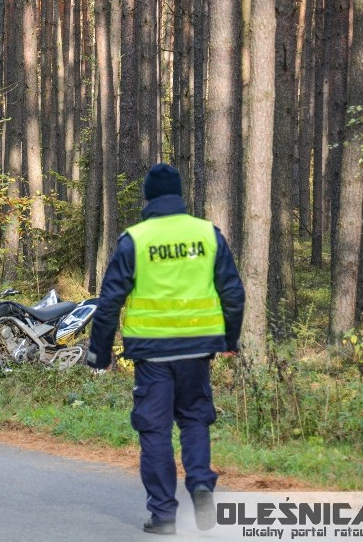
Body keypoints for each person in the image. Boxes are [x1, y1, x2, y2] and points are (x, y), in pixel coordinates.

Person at [86, 164, 245, 535]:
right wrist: (230, 339)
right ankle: (202, 483)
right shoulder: (207, 234)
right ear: (180, 195)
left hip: (152, 352)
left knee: (154, 429)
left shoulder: (135, 239)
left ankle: (164, 516)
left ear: (149, 197)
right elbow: (233, 293)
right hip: (197, 350)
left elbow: (109, 301)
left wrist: (99, 352)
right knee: (194, 419)